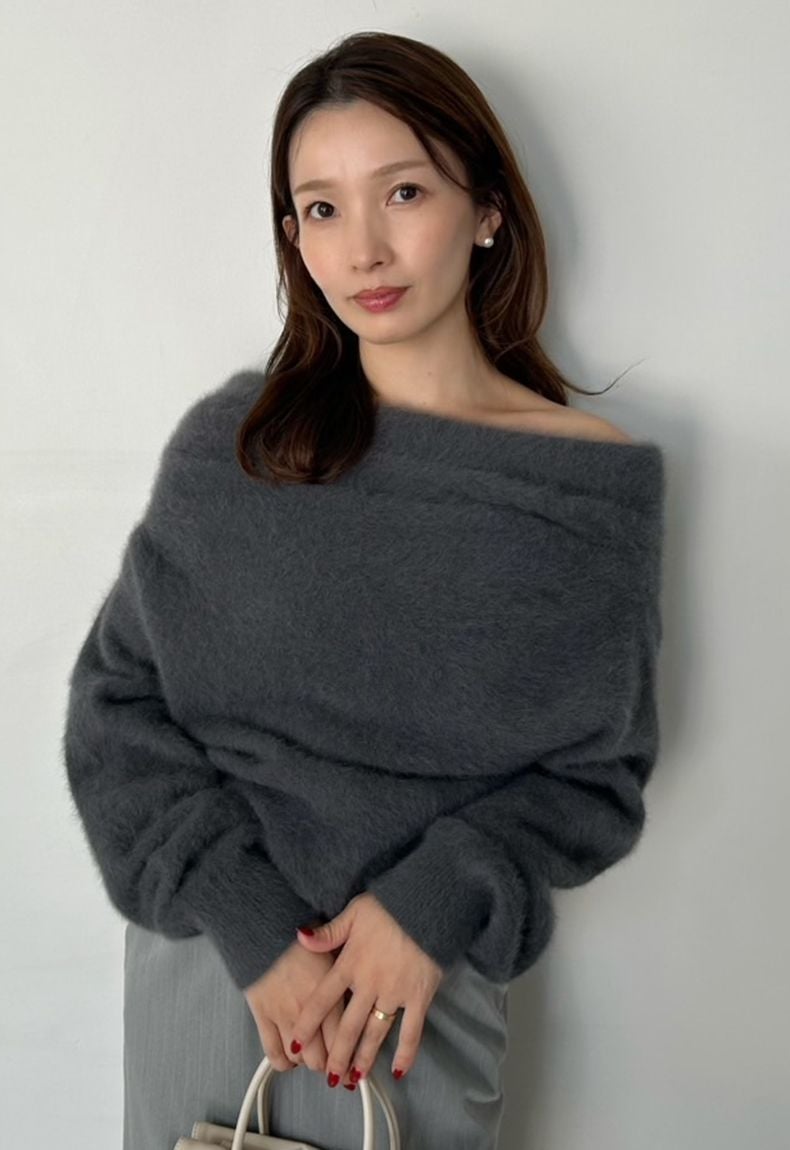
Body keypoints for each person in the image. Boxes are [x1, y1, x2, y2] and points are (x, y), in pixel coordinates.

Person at [62, 30, 666, 1150]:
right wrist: (249, 924)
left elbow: (596, 777)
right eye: (322, 208)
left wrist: (428, 906)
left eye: (404, 192)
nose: (366, 249)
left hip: (417, 997)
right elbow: (116, 708)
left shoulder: (582, 487)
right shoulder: (234, 450)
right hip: (216, 975)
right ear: (293, 238)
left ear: (487, 210)